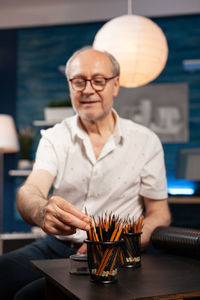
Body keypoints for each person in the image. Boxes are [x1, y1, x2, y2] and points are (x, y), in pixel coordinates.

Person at [0, 46, 171, 299]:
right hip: (55, 246)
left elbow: (159, 215)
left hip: (116, 252)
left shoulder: (145, 141)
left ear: (115, 85)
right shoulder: (55, 137)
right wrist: (41, 210)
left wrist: (116, 244)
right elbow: (31, 190)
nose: (88, 90)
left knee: (29, 296)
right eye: (78, 81)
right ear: (70, 85)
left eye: (99, 81)